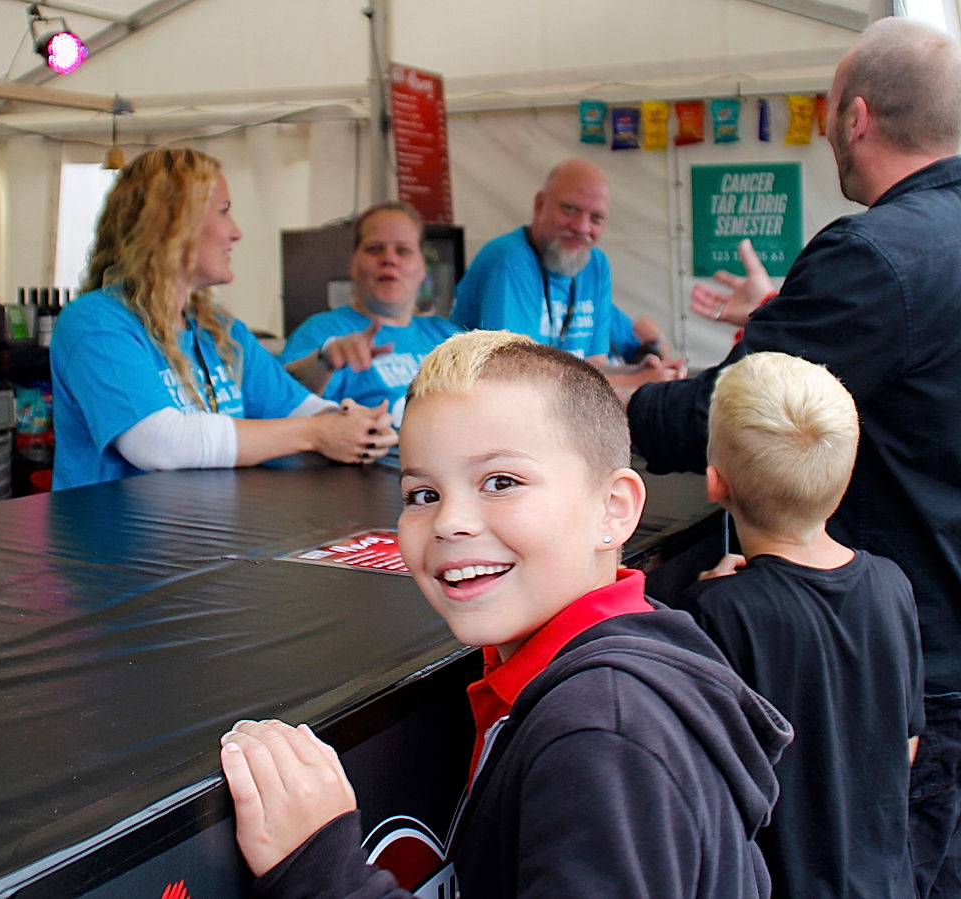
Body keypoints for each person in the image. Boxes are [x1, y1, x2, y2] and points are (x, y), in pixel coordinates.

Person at [626, 18, 961, 897]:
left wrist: (610, 407)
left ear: (854, 116)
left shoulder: (876, 253)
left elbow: (736, 410)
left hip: (916, 651)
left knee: (892, 870)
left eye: (826, 116)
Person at [219, 330, 792, 897]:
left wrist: (323, 872)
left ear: (612, 510)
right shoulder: (595, 673)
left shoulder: (602, 734)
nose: (449, 522)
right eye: (423, 494)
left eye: (501, 481)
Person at [675, 351, 923, 898]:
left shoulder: (714, 613)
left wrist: (714, 592)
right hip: (884, 881)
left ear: (716, 483)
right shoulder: (891, 585)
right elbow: (905, 744)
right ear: (845, 478)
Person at [51, 148, 395, 490]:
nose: (236, 232)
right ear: (174, 223)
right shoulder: (94, 322)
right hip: (117, 542)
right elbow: (157, 443)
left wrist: (356, 425)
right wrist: (319, 433)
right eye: (224, 212)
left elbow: (297, 407)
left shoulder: (218, 329)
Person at [451, 158, 685, 389]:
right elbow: (515, 376)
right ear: (539, 204)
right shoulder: (508, 259)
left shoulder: (595, 263)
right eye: (570, 209)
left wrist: (641, 371)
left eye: (596, 217)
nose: (582, 227)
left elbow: (592, 368)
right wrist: (634, 381)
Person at [278, 201, 461, 428]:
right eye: (375, 248)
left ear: (422, 267)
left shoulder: (448, 336)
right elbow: (279, 403)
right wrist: (325, 360)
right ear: (353, 264)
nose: (389, 259)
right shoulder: (321, 332)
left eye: (403, 250)